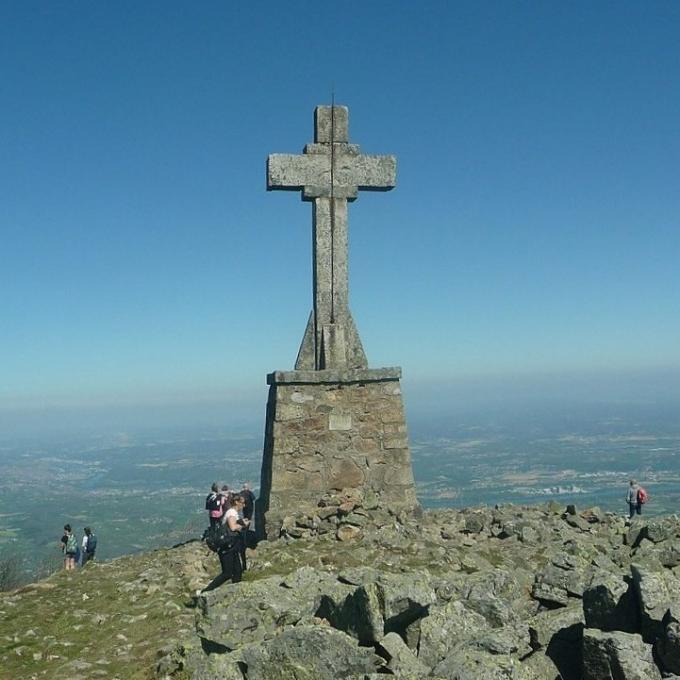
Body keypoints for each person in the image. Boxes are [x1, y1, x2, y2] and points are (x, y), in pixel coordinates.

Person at [203, 495, 244, 591]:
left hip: (231, 545)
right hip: (226, 546)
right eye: (242, 502)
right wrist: (242, 525)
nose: (244, 505)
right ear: (237, 502)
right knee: (227, 573)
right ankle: (206, 591)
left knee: (238, 570)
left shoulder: (233, 512)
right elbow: (233, 527)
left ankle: (236, 591)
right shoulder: (232, 512)